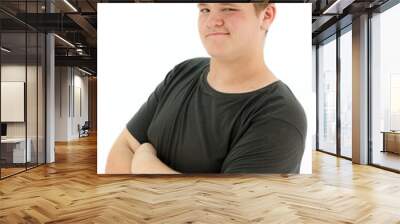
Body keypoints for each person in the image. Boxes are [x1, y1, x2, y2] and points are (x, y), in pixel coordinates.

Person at [105, 2, 307, 174]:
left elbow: (227, 214)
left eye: (228, 8)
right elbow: (122, 149)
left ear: (266, 16)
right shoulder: (183, 72)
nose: (212, 21)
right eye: (205, 10)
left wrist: (145, 164)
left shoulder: (280, 116)